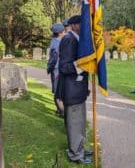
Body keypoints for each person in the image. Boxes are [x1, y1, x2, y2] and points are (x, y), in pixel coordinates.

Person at [58, 15, 93, 164]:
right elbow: (64, 67)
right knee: (74, 123)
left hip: (78, 89)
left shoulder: (76, 38)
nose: (83, 27)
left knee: (79, 122)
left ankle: (80, 148)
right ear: (73, 25)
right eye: (80, 24)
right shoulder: (69, 39)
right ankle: (75, 154)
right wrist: (82, 65)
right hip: (72, 90)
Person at [47, 23, 65, 117]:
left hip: (57, 69)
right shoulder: (58, 42)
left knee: (58, 90)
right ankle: (62, 111)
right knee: (58, 91)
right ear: (60, 33)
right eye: (63, 31)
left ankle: (59, 110)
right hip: (57, 69)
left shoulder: (54, 40)